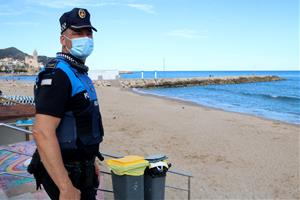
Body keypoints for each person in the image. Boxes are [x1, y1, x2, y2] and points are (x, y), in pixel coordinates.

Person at [28, 8, 104, 200]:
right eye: (77, 33)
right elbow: (42, 132)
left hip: (82, 169)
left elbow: (81, 122)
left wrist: (91, 158)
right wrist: (65, 187)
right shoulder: (58, 74)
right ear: (63, 40)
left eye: (88, 33)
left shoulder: (79, 72)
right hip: (66, 173)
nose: (85, 38)